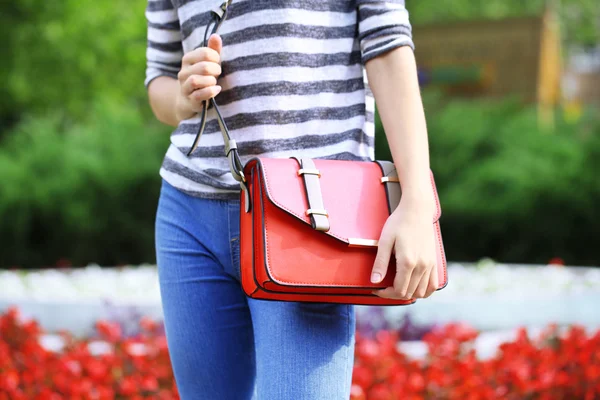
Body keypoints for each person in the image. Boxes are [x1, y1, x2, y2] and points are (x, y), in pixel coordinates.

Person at [145, 0, 438, 398]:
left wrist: (417, 200)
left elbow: (387, 46)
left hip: (309, 216)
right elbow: (159, 78)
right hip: (189, 214)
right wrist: (182, 96)